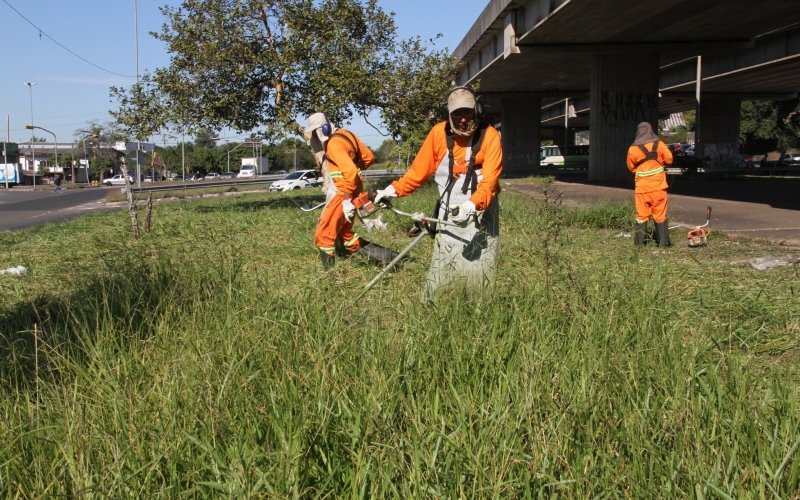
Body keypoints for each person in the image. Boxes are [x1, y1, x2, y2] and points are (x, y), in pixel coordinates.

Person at [374, 86, 503, 302]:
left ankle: (478, 307)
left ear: (478, 110)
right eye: (457, 114)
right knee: (445, 264)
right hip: (448, 212)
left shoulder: (490, 136)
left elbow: (490, 182)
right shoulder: (438, 134)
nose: (463, 120)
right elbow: (417, 172)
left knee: (480, 264)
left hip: (482, 213)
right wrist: (390, 190)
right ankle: (438, 305)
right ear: (448, 115)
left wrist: (471, 206)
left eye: (468, 113)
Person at [304, 112, 398, 269]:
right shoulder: (346, 134)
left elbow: (351, 173)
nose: (316, 136)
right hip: (353, 188)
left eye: (316, 132)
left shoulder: (333, 144)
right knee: (345, 235)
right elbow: (369, 158)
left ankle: (331, 277)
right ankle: (393, 260)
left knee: (324, 235)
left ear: (323, 129)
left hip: (342, 192)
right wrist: (351, 170)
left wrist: (347, 199)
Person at [626, 121, 673, 247]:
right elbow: (669, 159)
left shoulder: (633, 149)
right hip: (659, 187)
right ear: (651, 131)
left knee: (641, 215)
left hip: (642, 188)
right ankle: (663, 243)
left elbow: (631, 167)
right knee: (660, 214)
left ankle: (639, 244)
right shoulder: (660, 145)